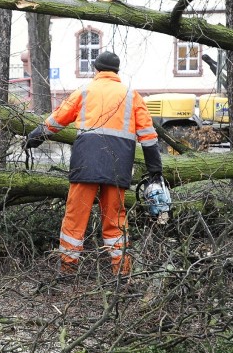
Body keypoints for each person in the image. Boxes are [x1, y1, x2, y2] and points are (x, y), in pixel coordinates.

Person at [24, 50, 163, 276]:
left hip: (85, 164)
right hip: (118, 167)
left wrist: (35, 137)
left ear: (96, 70)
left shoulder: (84, 91)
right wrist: (155, 171)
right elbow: (148, 136)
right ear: (117, 72)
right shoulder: (131, 95)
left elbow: (58, 119)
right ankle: (122, 273)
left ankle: (68, 271)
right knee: (115, 221)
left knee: (75, 219)